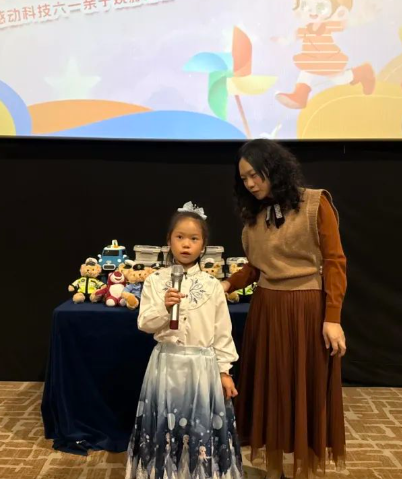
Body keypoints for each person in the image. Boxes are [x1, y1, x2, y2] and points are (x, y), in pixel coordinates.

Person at [222, 139, 347, 478]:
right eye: (244, 178)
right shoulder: (254, 216)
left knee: (304, 390)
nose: (250, 183)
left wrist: (332, 318)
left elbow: (334, 262)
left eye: (255, 175)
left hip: (306, 308)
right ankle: (274, 469)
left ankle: (302, 471)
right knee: (271, 390)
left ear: (274, 169)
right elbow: (256, 267)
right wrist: (228, 284)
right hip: (266, 309)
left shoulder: (314, 203)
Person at [126, 202, 244, 479]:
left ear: (203, 245)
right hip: (166, 363)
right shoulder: (156, 281)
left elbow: (222, 331)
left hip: (202, 367)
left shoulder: (213, 286)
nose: (186, 244)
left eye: (194, 238)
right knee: (165, 425)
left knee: (199, 426)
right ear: (169, 241)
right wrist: (165, 308)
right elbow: (145, 323)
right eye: (180, 237)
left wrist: (224, 371)